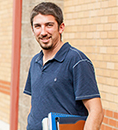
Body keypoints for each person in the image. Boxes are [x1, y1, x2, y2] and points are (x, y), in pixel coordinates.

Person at [23, 2, 104, 130]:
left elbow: (96, 111)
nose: (43, 32)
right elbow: (35, 105)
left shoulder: (77, 60)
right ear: (33, 30)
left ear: (61, 28)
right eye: (38, 26)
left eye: (49, 25)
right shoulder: (35, 61)